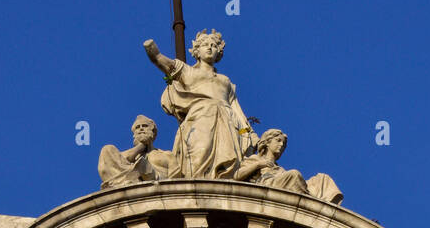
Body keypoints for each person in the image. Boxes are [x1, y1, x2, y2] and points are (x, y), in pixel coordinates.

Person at [143, 30, 257, 179]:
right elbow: (161, 61)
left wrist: (248, 134)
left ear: (219, 52)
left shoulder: (225, 81)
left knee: (228, 159)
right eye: (204, 45)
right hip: (200, 118)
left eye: (214, 46)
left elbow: (238, 112)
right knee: (199, 154)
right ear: (197, 51)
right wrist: (152, 50)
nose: (209, 48)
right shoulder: (188, 72)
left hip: (228, 123)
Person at [236, 129, 343, 204]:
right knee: (294, 174)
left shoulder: (280, 169)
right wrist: (258, 165)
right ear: (267, 142)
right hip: (267, 186)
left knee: (323, 178)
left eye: (284, 143)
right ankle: (310, 200)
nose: (281, 145)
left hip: (281, 186)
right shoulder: (256, 159)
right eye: (278, 140)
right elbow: (237, 176)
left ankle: (314, 201)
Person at [97, 115, 171, 189]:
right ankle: (123, 182)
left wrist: (150, 172)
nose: (141, 129)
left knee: (143, 166)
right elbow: (116, 161)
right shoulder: (133, 156)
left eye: (145, 126)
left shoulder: (166, 155)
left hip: (155, 182)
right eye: (137, 127)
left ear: (153, 131)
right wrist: (141, 146)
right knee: (107, 149)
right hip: (131, 178)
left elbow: (176, 179)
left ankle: (127, 180)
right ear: (134, 135)